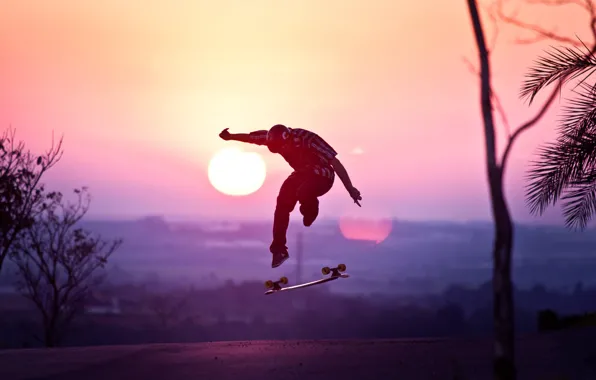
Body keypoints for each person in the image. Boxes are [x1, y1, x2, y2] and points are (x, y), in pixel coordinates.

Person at [219, 124, 362, 268]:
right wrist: (231, 137)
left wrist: (350, 189)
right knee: (282, 203)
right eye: (279, 150)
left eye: (284, 148)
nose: (283, 151)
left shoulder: (309, 139)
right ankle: (279, 250)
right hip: (302, 174)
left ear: (288, 140)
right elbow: (252, 137)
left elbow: (335, 163)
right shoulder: (273, 138)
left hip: (323, 176)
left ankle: (311, 209)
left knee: (303, 191)